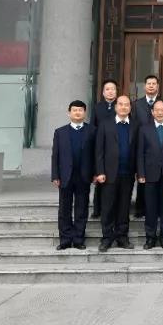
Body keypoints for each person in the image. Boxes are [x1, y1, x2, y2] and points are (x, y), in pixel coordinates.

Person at [95, 95, 138, 252]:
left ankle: (122, 237)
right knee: (108, 207)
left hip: (128, 174)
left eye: (127, 105)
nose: (123, 107)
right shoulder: (105, 124)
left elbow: (139, 150)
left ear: (130, 108)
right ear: (115, 107)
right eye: (120, 104)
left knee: (124, 207)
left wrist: (138, 171)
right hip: (109, 174)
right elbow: (99, 150)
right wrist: (100, 171)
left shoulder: (135, 125)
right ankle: (107, 238)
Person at [136, 98, 163, 249]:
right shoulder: (144, 129)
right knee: (150, 208)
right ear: (152, 112)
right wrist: (141, 173)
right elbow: (140, 153)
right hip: (150, 175)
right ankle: (150, 238)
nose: (160, 112)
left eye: (162, 110)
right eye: (157, 110)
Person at [51, 99, 94, 251]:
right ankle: (65, 239)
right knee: (64, 209)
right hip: (65, 176)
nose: (77, 112)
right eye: (74, 110)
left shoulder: (92, 131)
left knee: (82, 209)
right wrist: (55, 175)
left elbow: (96, 154)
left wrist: (95, 173)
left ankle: (78, 239)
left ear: (85, 113)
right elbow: (55, 155)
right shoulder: (60, 132)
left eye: (80, 110)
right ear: (69, 113)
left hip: (84, 176)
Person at [132, 74, 163, 219]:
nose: (151, 86)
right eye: (149, 83)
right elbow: (134, 124)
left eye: (154, 83)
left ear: (158, 86)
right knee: (142, 177)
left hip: (158, 145)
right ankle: (140, 208)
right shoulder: (136, 104)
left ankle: (158, 208)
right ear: (144, 86)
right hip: (141, 144)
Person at [90, 80, 118, 219]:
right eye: (107, 89)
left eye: (113, 89)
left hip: (115, 147)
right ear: (103, 92)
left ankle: (113, 209)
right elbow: (93, 127)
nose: (110, 91)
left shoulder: (120, 106)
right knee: (100, 179)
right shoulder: (97, 108)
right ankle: (97, 209)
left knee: (113, 181)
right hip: (100, 147)